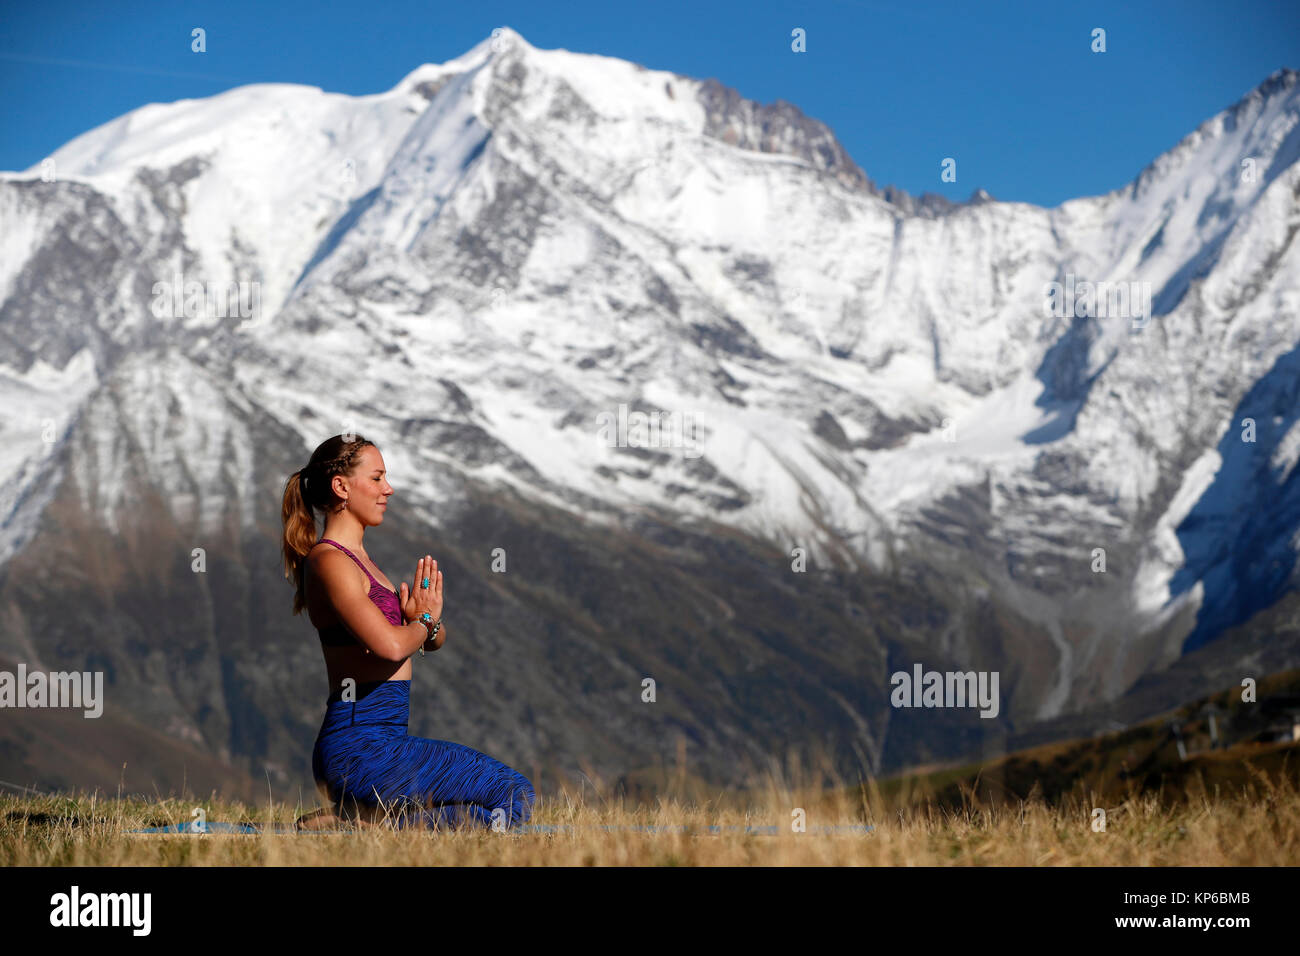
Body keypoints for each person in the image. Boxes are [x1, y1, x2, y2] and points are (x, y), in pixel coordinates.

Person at [280, 433, 535, 830]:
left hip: (384, 743)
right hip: (360, 749)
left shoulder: (361, 560)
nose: (389, 489)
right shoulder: (330, 561)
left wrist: (427, 623)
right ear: (341, 486)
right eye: (378, 478)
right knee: (512, 793)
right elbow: (389, 646)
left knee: (504, 802)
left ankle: (364, 822)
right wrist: (423, 623)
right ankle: (369, 826)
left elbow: (428, 641)